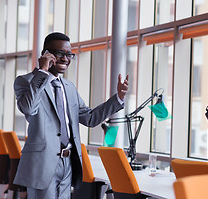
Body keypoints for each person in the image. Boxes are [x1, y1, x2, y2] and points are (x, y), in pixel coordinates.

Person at [13, 32, 129, 198]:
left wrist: (118, 98)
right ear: (46, 54)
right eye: (61, 53)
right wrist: (42, 72)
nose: (66, 59)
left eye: (69, 55)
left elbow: (89, 118)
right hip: (43, 163)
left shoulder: (69, 87)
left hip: (69, 162)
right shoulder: (26, 81)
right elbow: (28, 109)